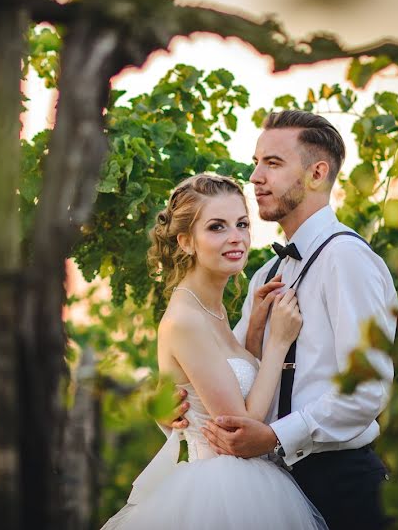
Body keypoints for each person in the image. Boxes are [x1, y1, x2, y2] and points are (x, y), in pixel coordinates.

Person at [181, 110, 398, 529]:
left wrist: (279, 437)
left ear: (317, 173)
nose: (256, 177)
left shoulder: (347, 259)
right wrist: (184, 403)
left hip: (343, 485)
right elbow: (235, 379)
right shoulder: (265, 274)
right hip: (270, 488)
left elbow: (367, 389)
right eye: (256, 162)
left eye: (273, 164)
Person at [102, 173, 328, 530]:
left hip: (245, 481)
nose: (235, 237)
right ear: (186, 242)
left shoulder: (213, 308)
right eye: (217, 227)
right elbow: (242, 426)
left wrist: (253, 329)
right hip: (217, 490)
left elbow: (235, 381)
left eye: (241, 224)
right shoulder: (186, 320)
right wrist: (278, 343)